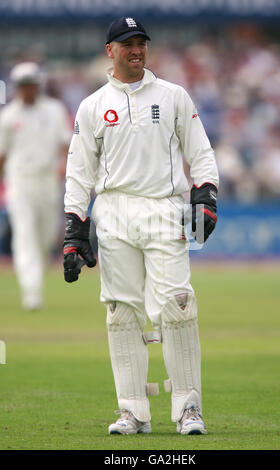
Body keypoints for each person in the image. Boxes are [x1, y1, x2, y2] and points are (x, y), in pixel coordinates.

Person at [63, 17, 219, 435]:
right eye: (127, 44)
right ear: (109, 50)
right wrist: (74, 229)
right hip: (113, 214)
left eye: (141, 43)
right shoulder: (92, 105)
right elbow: (79, 173)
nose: (136, 50)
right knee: (121, 312)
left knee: (177, 305)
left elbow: (200, 152)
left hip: (163, 207)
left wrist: (205, 198)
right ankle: (132, 411)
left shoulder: (173, 96)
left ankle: (189, 408)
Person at [0, 62, 71, 310]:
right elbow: (2, 154)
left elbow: (65, 143)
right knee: (25, 234)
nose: (27, 89)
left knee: (46, 237)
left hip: (48, 181)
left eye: (30, 84)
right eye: (22, 85)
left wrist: (64, 164)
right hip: (19, 181)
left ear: (37, 84)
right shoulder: (8, 116)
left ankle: (35, 280)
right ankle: (32, 293)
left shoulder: (54, 110)